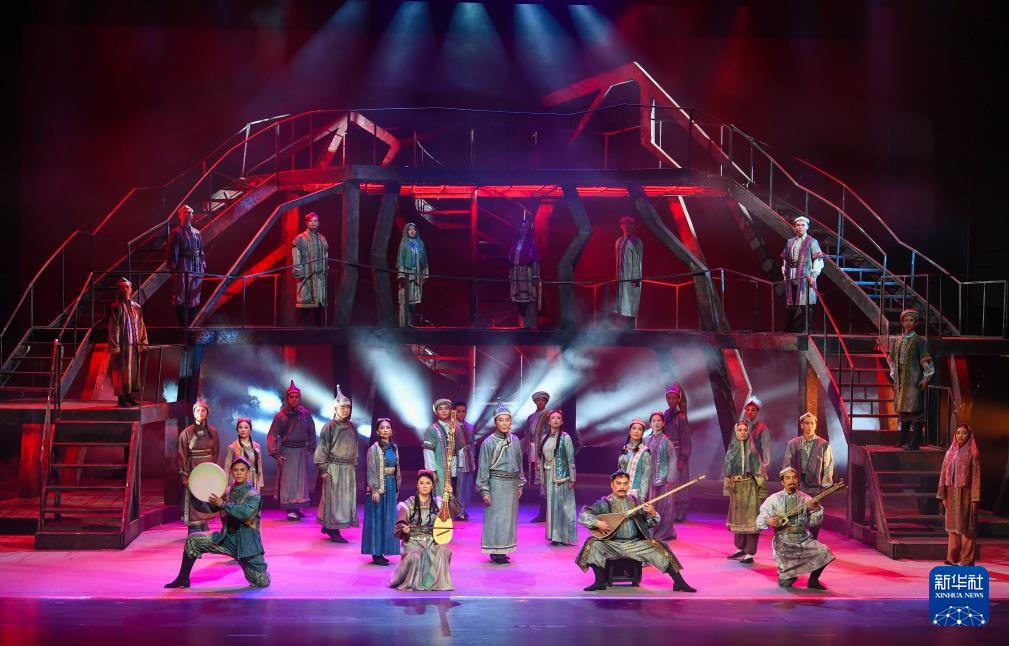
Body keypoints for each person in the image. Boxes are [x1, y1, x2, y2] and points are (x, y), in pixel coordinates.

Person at [577, 470, 696, 593]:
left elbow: (649, 524)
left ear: (628, 485)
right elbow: (584, 515)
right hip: (611, 545)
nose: (622, 487)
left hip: (635, 544)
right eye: (618, 483)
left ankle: (679, 582)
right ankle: (600, 582)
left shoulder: (635, 502)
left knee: (660, 547)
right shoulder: (604, 503)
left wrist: (653, 513)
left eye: (625, 483)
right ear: (612, 485)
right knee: (593, 544)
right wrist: (597, 523)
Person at [165, 457, 270, 589]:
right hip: (226, 539)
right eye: (236, 470)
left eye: (242, 470)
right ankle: (183, 578)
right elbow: (210, 509)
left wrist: (223, 504)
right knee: (193, 540)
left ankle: (248, 564)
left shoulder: (253, 495)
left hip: (246, 545)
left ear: (248, 472)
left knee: (261, 581)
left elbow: (245, 513)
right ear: (231, 472)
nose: (239, 473)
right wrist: (196, 491)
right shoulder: (227, 491)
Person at [756, 467, 835, 589]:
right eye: (788, 478)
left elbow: (812, 522)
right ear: (782, 482)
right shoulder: (773, 499)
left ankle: (813, 580)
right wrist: (768, 520)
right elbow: (760, 519)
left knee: (825, 552)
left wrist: (816, 509)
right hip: (783, 541)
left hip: (803, 539)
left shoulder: (806, 498)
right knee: (785, 584)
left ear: (798, 480)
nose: (791, 481)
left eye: (794, 478)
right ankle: (789, 574)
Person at [388, 470, 461, 591]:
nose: (425, 486)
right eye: (421, 483)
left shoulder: (438, 503)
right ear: (417, 485)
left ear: (432, 486)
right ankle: (413, 583)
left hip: (432, 540)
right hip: (413, 541)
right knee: (417, 554)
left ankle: (438, 584)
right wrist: (404, 530)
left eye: (428, 483)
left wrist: (450, 495)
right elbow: (399, 526)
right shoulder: (408, 504)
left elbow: (453, 512)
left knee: (443, 550)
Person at [477, 402, 525, 564]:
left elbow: (519, 462)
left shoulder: (515, 440)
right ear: (495, 422)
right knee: (495, 518)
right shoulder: (488, 442)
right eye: (501, 420)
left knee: (509, 519)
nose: (504, 423)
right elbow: (483, 468)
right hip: (496, 484)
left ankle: (503, 550)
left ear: (511, 422)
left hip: (511, 485)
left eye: (507, 420)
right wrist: (484, 490)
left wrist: (520, 484)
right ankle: (494, 550)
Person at [267, 380, 317, 520]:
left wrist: (310, 448)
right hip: (287, 452)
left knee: (300, 481)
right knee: (288, 481)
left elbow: (312, 432)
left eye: (296, 397)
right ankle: (289, 510)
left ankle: (297, 507)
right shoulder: (281, 416)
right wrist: (276, 454)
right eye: (291, 397)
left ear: (299, 399)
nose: (294, 399)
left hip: (301, 451)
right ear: (287, 398)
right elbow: (272, 435)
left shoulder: (305, 415)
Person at [315, 385, 359, 543]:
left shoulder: (351, 425)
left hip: (348, 468)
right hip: (334, 468)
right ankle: (334, 530)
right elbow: (322, 449)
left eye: (348, 407)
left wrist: (354, 463)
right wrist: (323, 469)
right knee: (334, 500)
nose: (346, 410)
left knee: (344, 500)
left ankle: (328, 525)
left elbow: (354, 445)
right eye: (343, 407)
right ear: (335, 408)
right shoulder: (329, 427)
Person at [782, 412, 834, 540]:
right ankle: (797, 540)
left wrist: (825, 483)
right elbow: (787, 464)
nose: (809, 426)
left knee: (814, 514)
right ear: (802, 425)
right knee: (796, 513)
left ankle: (813, 539)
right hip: (797, 484)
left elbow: (828, 465)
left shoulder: (824, 444)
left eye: (812, 423)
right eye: (806, 423)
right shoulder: (793, 443)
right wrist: (787, 482)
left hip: (815, 485)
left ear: (815, 425)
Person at [889, 308, 935, 450]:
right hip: (901, 380)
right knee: (903, 410)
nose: (908, 323)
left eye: (911, 320)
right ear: (902, 322)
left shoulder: (918, 340)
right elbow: (893, 360)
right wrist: (894, 375)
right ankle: (902, 439)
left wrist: (926, 378)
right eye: (906, 320)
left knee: (915, 410)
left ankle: (915, 443)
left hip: (914, 380)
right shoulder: (898, 340)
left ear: (915, 323)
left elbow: (926, 360)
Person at [937, 424, 981, 566]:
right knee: (952, 527)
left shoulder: (972, 453)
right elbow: (943, 474)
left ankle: (966, 560)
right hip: (951, 493)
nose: (960, 436)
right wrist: (943, 495)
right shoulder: (950, 453)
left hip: (966, 493)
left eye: (964, 433)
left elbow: (976, 476)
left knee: (967, 527)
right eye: (958, 433)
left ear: (969, 435)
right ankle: (952, 558)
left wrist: (974, 497)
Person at [724, 420, 767, 564]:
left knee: (751, 520)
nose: (742, 433)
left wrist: (762, 491)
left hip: (750, 488)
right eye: (739, 430)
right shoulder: (731, 450)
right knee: (738, 519)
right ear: (735, 432)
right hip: (736, 489)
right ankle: (740, 547)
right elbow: (727, 472)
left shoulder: (753, 451)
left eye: (744, 430)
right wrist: (727, 489)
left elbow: (759, 472)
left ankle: (750, 552)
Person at [177, 397, 220, 534]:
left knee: (206, 497)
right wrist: (184, 475)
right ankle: (194, 527)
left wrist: (215, 472)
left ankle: (204, 523)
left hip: (208, 470)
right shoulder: (186, 433)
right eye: (197, 410)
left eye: (203, 410)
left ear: (207, 413)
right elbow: (182, 455)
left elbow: (217, 452)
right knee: (193, 497)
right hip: (193, 468)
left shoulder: (213, 432)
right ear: (193, 413)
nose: (200, 413)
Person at [363, 418, 400, 565]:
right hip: (378, 487)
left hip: (390, 485)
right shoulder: (374, 449)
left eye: (388, 427)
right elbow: (371, 470)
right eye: (382, 428)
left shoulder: (394, 448)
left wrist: (397, 487)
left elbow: (397, 469)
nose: (385, 430)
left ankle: (384, 550)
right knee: (377, 519)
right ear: (377, 431)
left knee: (388, 519)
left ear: (391, 431)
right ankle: (376, 553)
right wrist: (375, 490)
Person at [107, 277, 148, 407]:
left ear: (131, 289)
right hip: (122, 345)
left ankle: (129, 396)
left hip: (134, 344)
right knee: (121, 371)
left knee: (132, 371)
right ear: (118, 290)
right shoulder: (116, 307)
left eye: (127, 287)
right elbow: (113, 328)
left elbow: (141, 325)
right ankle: (121, 398)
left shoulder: (137, 307)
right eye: (122, 288)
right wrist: (115, 346)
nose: (124, 290)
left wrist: (143, 342)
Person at [780, 215, 825, 333]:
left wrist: (814, 275)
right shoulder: (790, 242)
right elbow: (785, 259)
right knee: (791, 304)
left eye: (802, 225)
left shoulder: (812, 242)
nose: (800, 227)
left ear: (807, 227)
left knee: (806, 304)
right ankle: (788, 329)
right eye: (798, 225)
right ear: (795, 227)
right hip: (792, 275)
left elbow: (818, 260)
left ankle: (806, 329)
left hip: (806, 277)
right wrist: (785, 273)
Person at [540, 409, 577, 546]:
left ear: (562, 422)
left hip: (561, 476)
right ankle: (554, 535)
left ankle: (562, 536)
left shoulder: (565, 438)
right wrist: (542, 478)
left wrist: (572, 478)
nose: (555, 420)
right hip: (548, 474)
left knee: (562, 506)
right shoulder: (545, 437)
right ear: (549, 422)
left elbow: (570, 458)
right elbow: (542, 458)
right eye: (553, 418)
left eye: (558, 418)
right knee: (552, 506)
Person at [166, 204, 206, 327]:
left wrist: (202, 263)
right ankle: (183, 325)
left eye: (190, 212)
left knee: (194, 294)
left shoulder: (197, 233)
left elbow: (201, 249)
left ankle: (191, 324)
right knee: (181, 294)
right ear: (180, 216)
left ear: (192, 215)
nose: (188, 214)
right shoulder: (176, 232)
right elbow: (173, 251)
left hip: (196, 266)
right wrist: (173, 269)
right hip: (183, 265)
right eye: (185, 212)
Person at [291, 211, 329, 327]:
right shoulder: (300, 238)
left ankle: (318, 325)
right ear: (306, 223)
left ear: (318, 223)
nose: (313, 223)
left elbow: (325, 254)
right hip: (307, 272)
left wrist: (325, 266)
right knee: (306, 299)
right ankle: (307, 325)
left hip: (319, 274)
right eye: (311, 221)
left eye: (315, 221)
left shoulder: (322, 238)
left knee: (319, 300)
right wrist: (298, 269)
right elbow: (296, 255)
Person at [645, 411, 678, 540]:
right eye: (654, 421)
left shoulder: (666, 441)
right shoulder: (646, 440)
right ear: (650, 424)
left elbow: (673, 459)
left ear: (663, 423)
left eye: (659, 420)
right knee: (650, 505)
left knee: (663, 506)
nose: (656, 423)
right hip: (649, 479)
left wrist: (670, 478)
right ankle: (650, 531)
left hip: (664, 480)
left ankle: (664, 532)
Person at [519, 390, 551, 522]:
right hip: (533, 449)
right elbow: (527, 435)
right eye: (538, 400)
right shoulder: (531, 417)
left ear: (546, 401)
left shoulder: (549, 415)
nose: (540, 402)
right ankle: (543, 513)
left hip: (545, 450)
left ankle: (545, 514)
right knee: (540, 480)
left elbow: (550, 434)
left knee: (545, 480)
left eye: (543, 400)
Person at [662, 383, 691, 521]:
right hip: (667, 453)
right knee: (668, 482)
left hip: (679, 453)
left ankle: (681, 511)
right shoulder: (665, 415)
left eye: (674, 398)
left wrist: (682, 459)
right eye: (669, 398)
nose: (671, 400)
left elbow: (686, 440)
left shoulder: (681, 417)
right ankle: (669, 510)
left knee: (680, 482)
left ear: (678, 399)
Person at [508, 219, 541, 329]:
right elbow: (511, 259)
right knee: (518, 300)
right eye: (521, 227)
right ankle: (521, 325)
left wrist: (535, 276)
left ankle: (530, 326)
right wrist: (510, 273)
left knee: (529, 299)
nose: (523, 229)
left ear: (528, 229)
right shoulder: (515, 241)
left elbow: (535, 259)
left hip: (526, 273)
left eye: (525, 227)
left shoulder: (531, 242)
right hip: (516, 273)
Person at [423, 398, 459, 497]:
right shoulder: (432, 430)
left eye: (446, 408)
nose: (443, 411)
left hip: (454, 468)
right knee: (441, 495)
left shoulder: (455, 427)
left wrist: (459, 467)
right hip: (440, 469)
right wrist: (432, 471)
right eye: (440, 409)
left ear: (450, 411)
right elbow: (428, 452)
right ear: (436, 412)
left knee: (454, 495)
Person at [613, 216, 643, 329]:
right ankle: (626, 325)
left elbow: (638, 260)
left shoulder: (636, 241)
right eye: (624, 223)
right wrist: (617, 274)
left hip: (632, 275)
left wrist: (636, 277)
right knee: (623, 300)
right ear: (621, 226)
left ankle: (631, 325)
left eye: (629, 223)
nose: (626, 225)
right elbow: (617, 259)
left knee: (632, 298)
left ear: (632, 225)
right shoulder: (618, 241)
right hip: (622, 274)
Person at [396, 222, 428, 327]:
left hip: (417, 274)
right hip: (406, 274)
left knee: (414, 301)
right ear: (406, 231)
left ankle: (410, 322)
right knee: (405, 300)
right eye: (409, 229)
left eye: (414, 229)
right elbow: (400, 259)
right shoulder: (404, 243)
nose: (412, 231)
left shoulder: (420, 243)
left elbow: (425, 260)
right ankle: (403, 324)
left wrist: (424, 274)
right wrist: (401, 275)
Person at [452, 401, 477, 521]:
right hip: (458, 462)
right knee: (459, 488)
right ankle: (458, 512)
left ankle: (463, 509)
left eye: (463, 411)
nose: (461, 414)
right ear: (454, 412)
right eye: (459, 411)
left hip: (469, 461)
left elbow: (473, 444)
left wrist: (473, 458)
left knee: (468, 488)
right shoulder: (451, 427)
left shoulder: (470, 426)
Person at [225, 418, 265, 490]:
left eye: (246, 427)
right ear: (237, 430)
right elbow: (227, 466)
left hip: (252, 478)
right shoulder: (232, 446)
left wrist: (260, 482)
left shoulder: (256, 446)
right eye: (240, 427)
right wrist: (225, 484)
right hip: (238, 478)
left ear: (250, 430)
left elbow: (259, 465)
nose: (243, 430)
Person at [618, 419, 652, 499]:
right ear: (630, 431)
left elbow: (645, 477)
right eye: (634, 428)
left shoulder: (645, 452)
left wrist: (642, 498)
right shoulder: (624, 449)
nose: (636, 431)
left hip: (635, 494)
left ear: (642, 433)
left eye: (640, 429)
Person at [739, 396, 771, 477]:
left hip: (756, 464)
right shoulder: (739, 426)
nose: (750, 412)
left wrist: (765, 466)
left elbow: (766, 449)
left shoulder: (762, 428)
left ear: (757, 411)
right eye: (748, 410)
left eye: (753, 410)